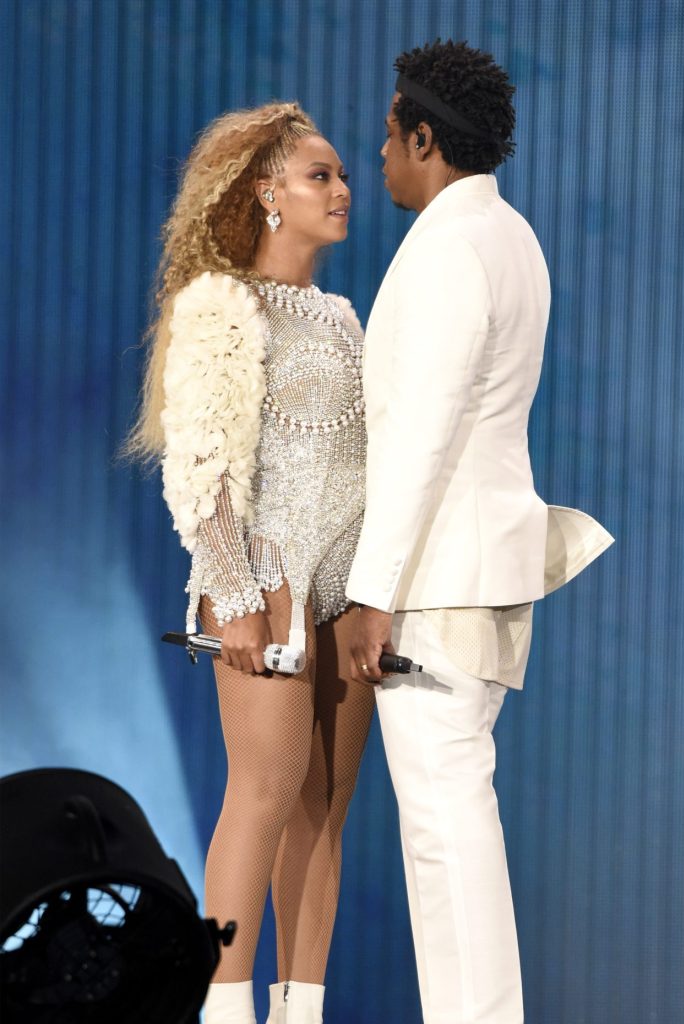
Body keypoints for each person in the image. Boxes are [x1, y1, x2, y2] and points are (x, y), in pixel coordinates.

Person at [347, 41, 613, 1024]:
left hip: (438, 580)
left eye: (387, 135)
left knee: (445, 827)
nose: (378, 155)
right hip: (476, 568)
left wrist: (372, 592)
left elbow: (421, 435)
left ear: (427, 137)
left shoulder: (454, 249)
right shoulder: (510, 235)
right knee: (456, 818)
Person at [127, 103, 374, 1024]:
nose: (343, 190)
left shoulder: (345, 315)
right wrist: (234, 596)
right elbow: (204, 465)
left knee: (324, 804)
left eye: (344, 174)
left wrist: (369, 592)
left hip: (346, 588)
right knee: (263, 791)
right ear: (267, 190)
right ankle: (222, 1007)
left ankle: (299, 1009)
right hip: (268, 583)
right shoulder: (220, 304)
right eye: (321, 175)